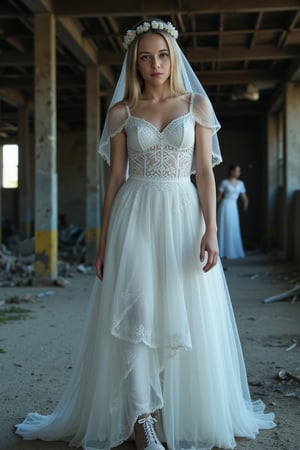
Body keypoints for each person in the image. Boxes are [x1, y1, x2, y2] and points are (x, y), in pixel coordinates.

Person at [15, 19, 275, 450]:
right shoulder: (122, 111)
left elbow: (206, 174)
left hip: (182, 213)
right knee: (136, 316)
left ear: (173, 58)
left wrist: (211, 229)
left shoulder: (196, 105)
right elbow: (115, 178)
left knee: (182, 312)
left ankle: (176, 409)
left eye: (161, 55)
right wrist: (101, 244)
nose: (154, 63)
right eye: (145, 57)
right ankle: (142, 421)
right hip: (133, 215)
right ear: (134, 64)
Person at [217, 164, 249, 259]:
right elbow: (218, 196)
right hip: (225, 206)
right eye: (237, 170)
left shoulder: (240, 183)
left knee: (233, 227)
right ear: (231, 171)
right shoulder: (224, 183)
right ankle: (222, 251)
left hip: (233, 207)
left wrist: (246, 203)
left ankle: (233, 250)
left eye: (239, 171)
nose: (238, 173)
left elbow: (244, 196)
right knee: (224, 226)